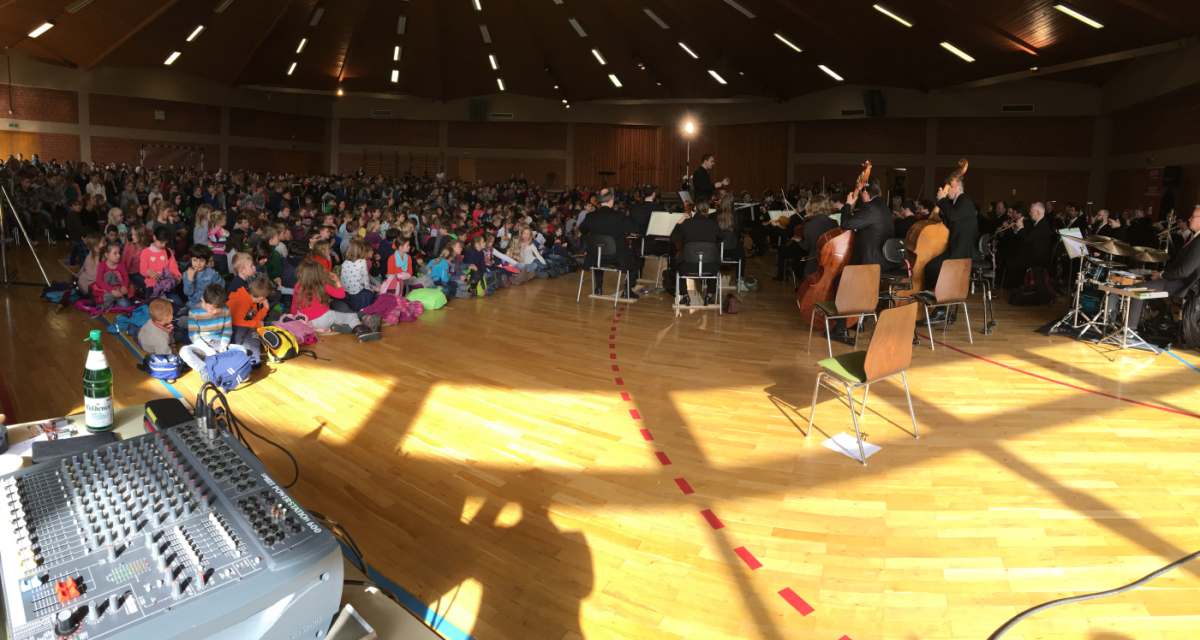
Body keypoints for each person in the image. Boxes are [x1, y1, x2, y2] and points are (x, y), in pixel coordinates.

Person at [1128, 205, 1200, 327]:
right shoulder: (1196, 237)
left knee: (1137, 288)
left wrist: (1162, 275)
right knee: (1147, 280)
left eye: (1193, 216)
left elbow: (1184, 271)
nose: (1189, 219)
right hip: (1179, 279)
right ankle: (1162, 312)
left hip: (1183, 284)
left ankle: (1130, 329)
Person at [923, 176, 978, 323]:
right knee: (930, 267)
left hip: (961, 251)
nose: (946, 193)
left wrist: (942, 200)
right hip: (956, 248)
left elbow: (953, 215)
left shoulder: (964, 201)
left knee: (935, 268)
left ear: (954, 186)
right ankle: (934, 302)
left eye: (948, 189)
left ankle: (940, 308)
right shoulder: (958, 202)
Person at [291, 259, 382, 341]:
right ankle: (361, 331)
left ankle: (340, 326)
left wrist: (295, 319)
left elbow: (294, 306)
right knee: (352, 316)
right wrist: (337, 281)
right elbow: (341, 295)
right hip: (325, 318)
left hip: (308, 322)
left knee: (336, 314)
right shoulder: (323, 285)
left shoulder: (297, 286)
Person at [579, 189, 639, 299]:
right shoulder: (619, 216)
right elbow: (635, 228)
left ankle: (598, 288)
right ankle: (627, 290)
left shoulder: (590, 216)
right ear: (611, 200)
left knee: (599, 250)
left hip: (596, 257)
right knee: (635, 259)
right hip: (616, 257)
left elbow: (582, 230)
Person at [180, 284, 242, 382]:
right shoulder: (194, 312)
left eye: (219, 308)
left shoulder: (225, 309)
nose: (216, 311)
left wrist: (224, 345)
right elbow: (193, 335)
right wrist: (206, 349)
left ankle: (235, 371)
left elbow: (227, 330)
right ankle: (204, 370)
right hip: (202, 346)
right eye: (212, 308)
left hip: (219, 344)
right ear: (203, 300)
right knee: (184, 351)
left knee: (242, 350)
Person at [670, 200, 722, 306]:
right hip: (709, 266)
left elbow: (673, 238)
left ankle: (685, 296)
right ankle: (709, 296)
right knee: (715, 268)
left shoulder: (687, 223)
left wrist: (679, 222)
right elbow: (722, 238)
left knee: (677, 266)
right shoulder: (714, 223)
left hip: (688, 266)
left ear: (695, 208)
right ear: (708, 209)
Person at [1003, 202, 1056, 287]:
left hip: (1038, 257)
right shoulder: (1039, 223)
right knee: (1014, 257)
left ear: (1038, 213)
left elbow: (1027, 239)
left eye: (1031, 212)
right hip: (1034, 253)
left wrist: (1021, 227)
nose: (1029, 214)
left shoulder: (1042, 224)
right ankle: (1016, 286)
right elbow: (1030, 237)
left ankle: (1018, 287)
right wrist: (1017, 230)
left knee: (1015, 261)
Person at [227, 276, 274, 367]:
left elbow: (254, 320)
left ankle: (252, 357)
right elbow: (238, 322)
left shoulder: (252, 301)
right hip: (231, 328)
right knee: (254, 332)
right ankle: (252, 358)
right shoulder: (242, 302)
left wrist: (265, 308)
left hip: (239, 328)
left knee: (262, 327)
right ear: (261, 298)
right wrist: (258, 324)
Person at [798, 195, 838, 278]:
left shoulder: (808, 225)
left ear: (810, 207)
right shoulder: (834, 223)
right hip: (830, 262)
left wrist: (799, 241)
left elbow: (807, 247)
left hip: (815, 264)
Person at [183, 244, 223, 311]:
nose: (198, 263)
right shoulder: (186, 273)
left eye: (201, 260)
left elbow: (221, 287)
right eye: (195, 260)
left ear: (206, 261)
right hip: (192, 306)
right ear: (190, 260)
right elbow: (188, 293)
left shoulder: (213, 274)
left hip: (209, 306)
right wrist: (190, 278)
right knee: (180, 315)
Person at [92, 243, 132, 310]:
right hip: (106, 290)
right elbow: (99, 281)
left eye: (119, 253)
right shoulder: (102, 265)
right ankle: (112, 301)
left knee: (125, 305)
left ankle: (115, 300)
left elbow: (126, 278)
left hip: (119, 290)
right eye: (115, 253)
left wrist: (124, 286)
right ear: (107, 255)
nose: (118, 255)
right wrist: (112, 291)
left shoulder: (121, 264)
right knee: (107, 306)